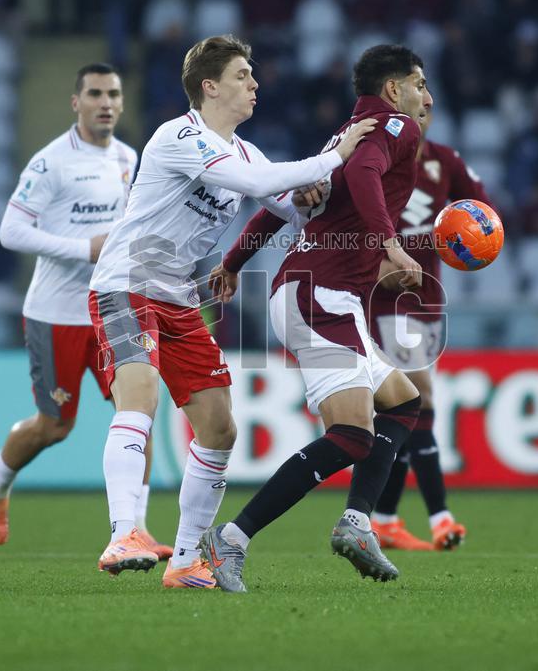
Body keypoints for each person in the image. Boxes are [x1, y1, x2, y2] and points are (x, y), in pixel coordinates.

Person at [87, 35, 374, 590]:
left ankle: (187, 560)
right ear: (210, 86)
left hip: (179, 299)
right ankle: (125, 530)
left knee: (219, 428)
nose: (255, 84)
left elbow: (285, 205)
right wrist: (332, 156)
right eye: (243, 75)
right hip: (126, 283)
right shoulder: (177, 136)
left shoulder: (247, 151)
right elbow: (259, 186)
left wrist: (312, 196)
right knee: (139, 391)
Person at [201, 44, 433, 592]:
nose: (428, 96)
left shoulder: (340, 141)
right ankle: (231, 539)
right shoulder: (395, 127)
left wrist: (234, 262)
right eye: (420, 83)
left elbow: (279, 203)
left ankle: (356, 523)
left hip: (315, 292)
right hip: (321, 298)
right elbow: (367, 178)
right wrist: (389, 244)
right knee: (353, 434)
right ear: (394, 90)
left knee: (401, 402)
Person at [0, 64, 171, 560]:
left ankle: (138, 530)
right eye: (95, 94)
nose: (105, 102)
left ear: (122, 103)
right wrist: (84, 248)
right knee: (55, 426)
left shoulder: (131, 158)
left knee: (138, 411)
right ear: (75, 102)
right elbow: (11, 232)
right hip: (57, 313)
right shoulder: (51, 163)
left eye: (113, 94)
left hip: (114, 307)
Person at [367, 110, 492, 551]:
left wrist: (469, 236)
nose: (424, 107)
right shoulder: (374, 160)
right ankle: (439, 516)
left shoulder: (444, 160)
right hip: (378, 297)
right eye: (414, 97)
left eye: (427, 99)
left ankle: (384, 518)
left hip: (424, 296)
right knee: (416, 397)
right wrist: (379, 264)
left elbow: (481, 211)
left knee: (407, 406)